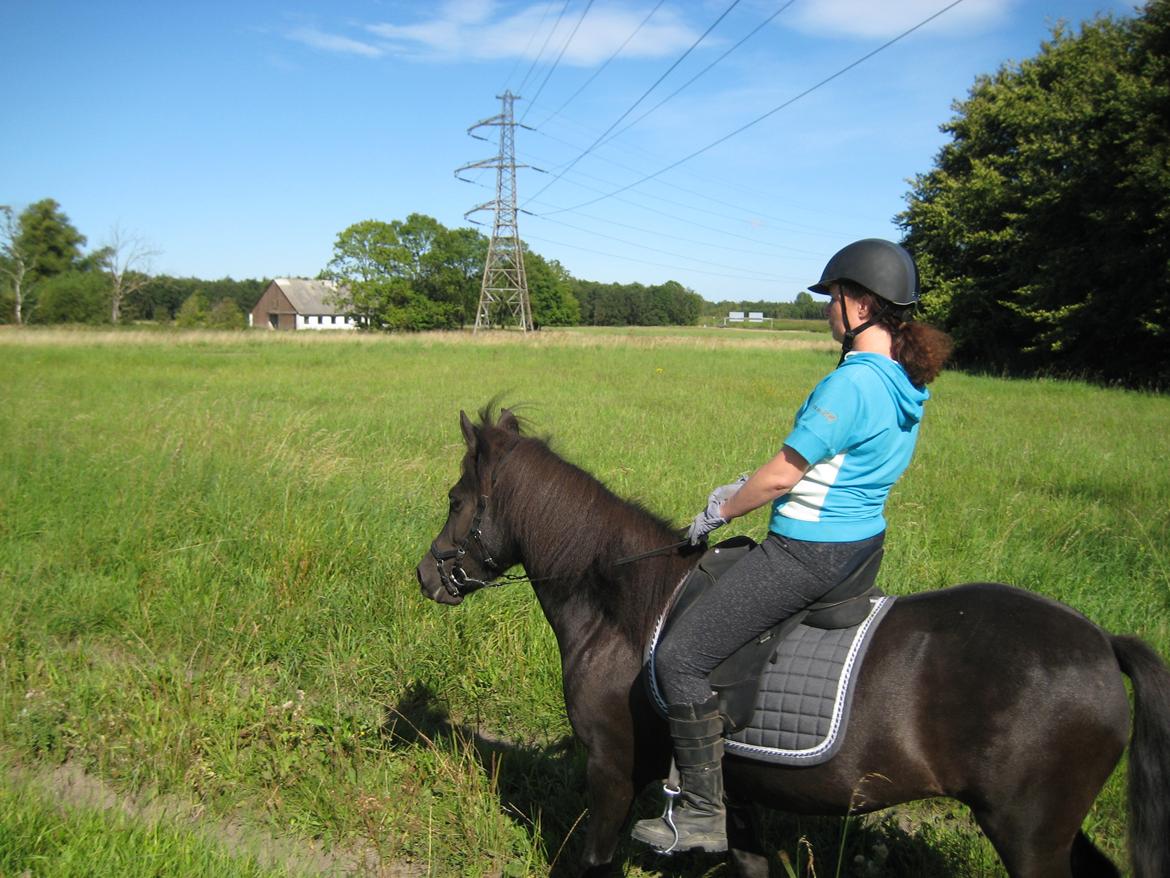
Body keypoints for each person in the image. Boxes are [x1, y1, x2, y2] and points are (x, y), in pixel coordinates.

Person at [631, 238, 953, 854]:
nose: (828, 308)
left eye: (832, 296)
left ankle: (702, 814)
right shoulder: (901, 384)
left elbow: (784, 474)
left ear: (859, 302)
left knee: (680, 659)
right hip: (861, 547)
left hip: (810, 551)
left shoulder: (852, 384)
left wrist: (719, 509)